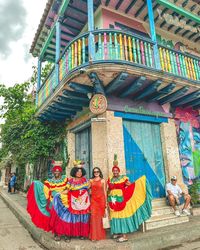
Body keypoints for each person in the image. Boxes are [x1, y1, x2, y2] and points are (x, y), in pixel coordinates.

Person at [107, 164, 152, 243]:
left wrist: (133, 189)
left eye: (116, 170)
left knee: (122, 215)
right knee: (115, 216)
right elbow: (108, 189)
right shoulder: (110, 179)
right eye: (114, 171)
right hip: (112, 200)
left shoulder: (123, 178)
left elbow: (130, 185)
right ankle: (118, 233)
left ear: (119, 171)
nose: (115, 172)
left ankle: (124, 236)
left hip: (121, 199)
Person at [49, 160, 90, 242]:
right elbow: (67, 190)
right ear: (74, 172)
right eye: (78, 171)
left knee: (83, 217)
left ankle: (82, 234)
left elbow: (89, 189)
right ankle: (69, 233)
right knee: (73, 217)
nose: (79, 173)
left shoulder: (85, 180)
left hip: (83, 202)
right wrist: (59, 194)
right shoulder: (71, 181)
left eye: (81, 171)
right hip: (73, 201)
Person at [27, 164, 68, 241]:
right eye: (55, 171)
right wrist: (37, 184)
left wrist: (63, 193)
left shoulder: (65, 179)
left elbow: (69, 188)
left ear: (60, 172)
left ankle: (65, 234)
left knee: (64, 217)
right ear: (53, 172)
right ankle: (57, 234)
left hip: (64, 201)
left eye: (58, 171)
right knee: (55, 218)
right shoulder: (49, 181)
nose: (56, 173)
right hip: (53, 201)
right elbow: (45, 190)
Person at [89, 167, 107, 241]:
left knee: (99, 218)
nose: (96, 173)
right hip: (93, 201)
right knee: (93, 217)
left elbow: (105, 192)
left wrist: (105, 203)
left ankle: (99, 235)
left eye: (97, 171)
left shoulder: (103, 180)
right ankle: (94, 236)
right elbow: (88, 189)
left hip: (101, 201)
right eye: (95, 172)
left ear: (100, 172)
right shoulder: (91, 180)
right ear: (93, 173)